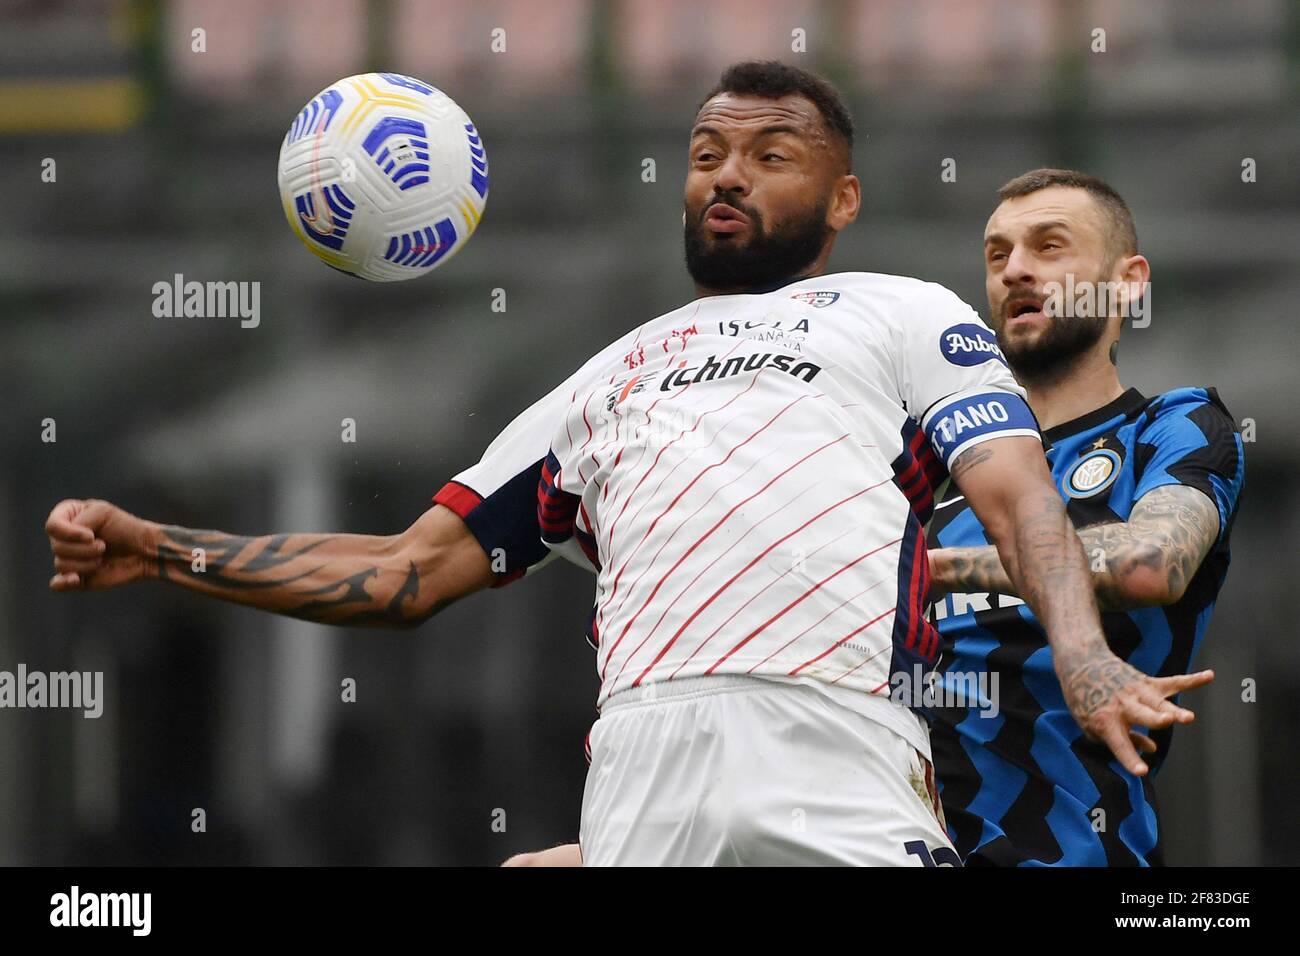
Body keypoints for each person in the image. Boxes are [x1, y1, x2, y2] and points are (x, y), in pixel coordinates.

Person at [44, 63, 1209, 866]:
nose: (728, 175)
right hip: (643, 765)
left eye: (770, 153)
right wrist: (164, 550)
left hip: (840, 740)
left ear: (843, 198)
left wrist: (1083, 654)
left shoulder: (901, 314)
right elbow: (408, 571)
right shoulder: (603, 377)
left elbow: (1017, 497)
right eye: (707, 154)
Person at [924, 168, 1244, 865]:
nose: (1016, 271)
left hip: (1068, 851)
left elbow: (1153, 563)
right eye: (998, 254)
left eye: (1049, 246)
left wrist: (928, 571)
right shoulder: (935, 466)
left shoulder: (1175, 426)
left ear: (1128, 281)